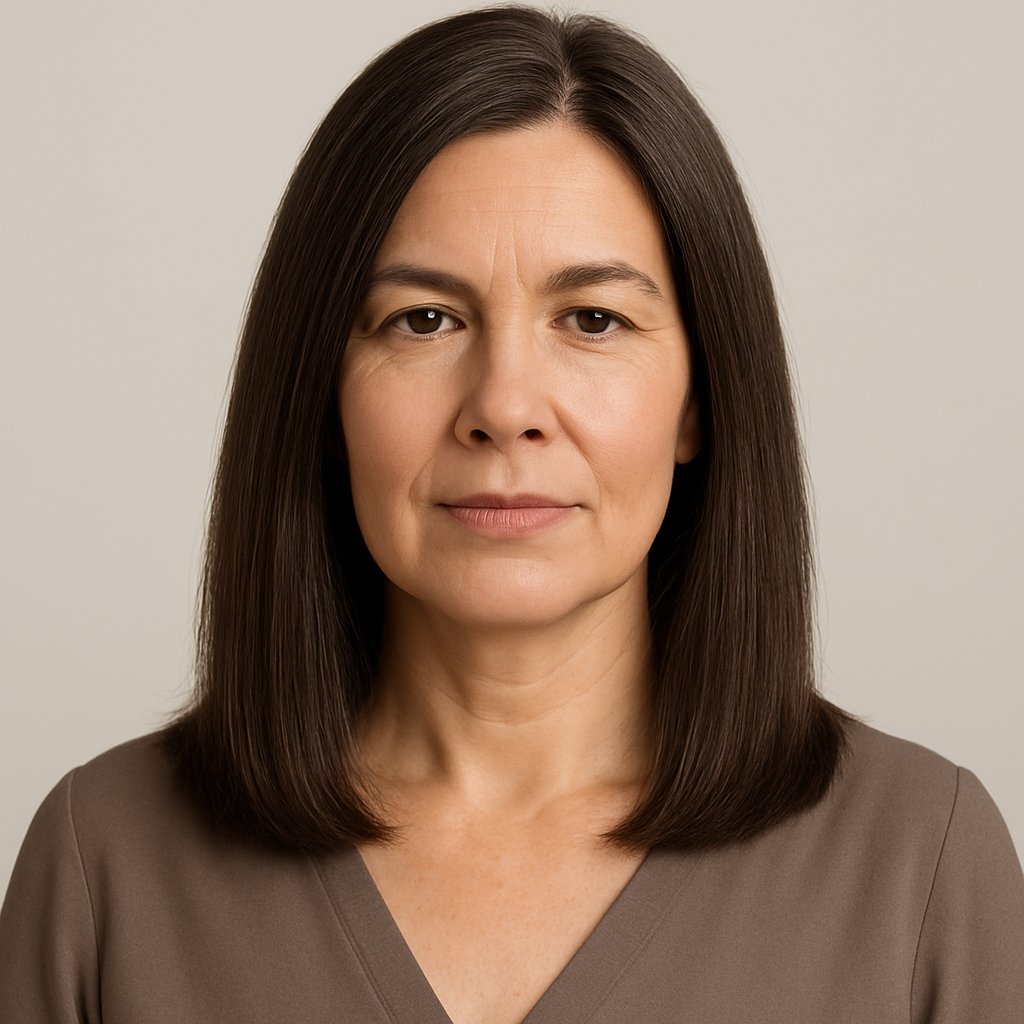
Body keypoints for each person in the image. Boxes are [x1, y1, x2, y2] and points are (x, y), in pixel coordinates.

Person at [1, 6, 1021, 1022]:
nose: (504, 406)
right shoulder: (107, 869)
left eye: (592, 319)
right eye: (425, 319)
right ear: (322, 391)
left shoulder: (919, 870)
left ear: (700, 398)